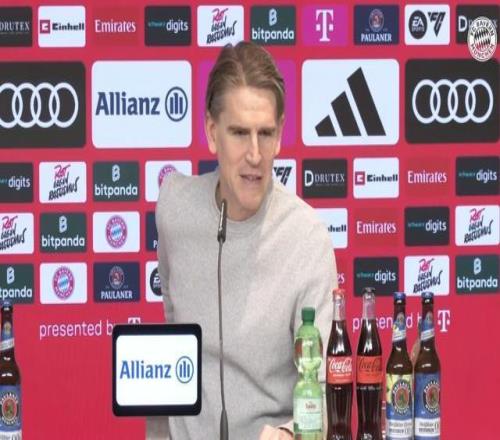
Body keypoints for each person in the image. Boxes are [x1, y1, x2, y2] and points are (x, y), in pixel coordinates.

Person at [147, 41, 337, 440]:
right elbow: (171, 335)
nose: (255, 154)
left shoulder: (307, 238)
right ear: (212, 133)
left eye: (265, 134)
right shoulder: (174, 208)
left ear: (280, 135)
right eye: (239, 133)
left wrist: (289, 434)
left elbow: (324, 394)